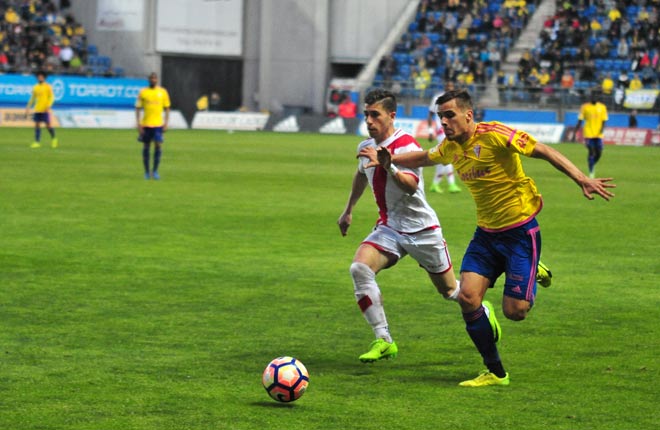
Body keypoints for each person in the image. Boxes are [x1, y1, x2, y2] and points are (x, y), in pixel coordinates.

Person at [360, 89, 615, 387]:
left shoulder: (495, 135)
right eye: (441, 117)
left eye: (450, 115)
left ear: (468, 115)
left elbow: (543, 150)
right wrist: (389, 160)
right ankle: (495, 372)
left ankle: (534, 266)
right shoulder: (450, 148)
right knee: (467, 299)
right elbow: (423, 157)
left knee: (515, 312)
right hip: (485, 236)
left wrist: (581, 178)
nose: (444, 122)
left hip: (520, 232)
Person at [337, 88, 465, 363]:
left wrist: (389, 166)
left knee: (453, 292)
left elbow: (411, 186)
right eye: (366, 115)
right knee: (360, 268)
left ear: (391, 116)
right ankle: (384, 340)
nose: (369, 121)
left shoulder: (406, 144)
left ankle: (483, 309)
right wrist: (348, 210)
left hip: (421, 230)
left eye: (375, 115)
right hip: (390, 227)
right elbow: (361, 174)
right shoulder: (365, 147)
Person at [135, 72, 170, 180]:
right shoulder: (143, 92)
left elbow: (167, 108)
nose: (153, 80)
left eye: (155, 78)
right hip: (146, 124)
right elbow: (138, 108)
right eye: (151, 78)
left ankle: (155, 171)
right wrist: (138, 124)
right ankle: (146, 172)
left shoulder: (163, 92)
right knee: (146, 146)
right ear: (149, 80)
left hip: (158, 124)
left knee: (158, 145)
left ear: (157, 80)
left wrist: (166, 123)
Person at [427, 82, 461, 194]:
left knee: (444, 156)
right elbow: (430, 115)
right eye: (448, 86)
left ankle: (435, 184)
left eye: (451, 87)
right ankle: (451, 184)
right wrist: (430, 131)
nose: (449, 88)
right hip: (441, 130)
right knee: (448, 155)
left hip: (452, 131)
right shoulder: (437, 98)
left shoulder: (455, 100)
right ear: (445, 87)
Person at [573, 91, 608, 179]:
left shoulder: (602, 107)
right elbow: (580, 120)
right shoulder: (585, 107)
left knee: (599, 153)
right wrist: (575, 132)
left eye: (596, 96)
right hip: (588, 134)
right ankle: (591, 172)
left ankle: (591, 164)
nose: (594, 98)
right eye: (592, 96)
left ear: (598, 97)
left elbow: (604, 120)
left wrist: (602, 129)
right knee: (591, 152)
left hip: (598, 134)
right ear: (590, 97)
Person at [26, 71, 58, 149]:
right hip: (37, 109)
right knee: (37, 125)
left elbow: (52, 97)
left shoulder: (48, 86)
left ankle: (54, 139)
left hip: (45, 109)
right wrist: (28, 106)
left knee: (48, 125)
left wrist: (48, 106)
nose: (40, 78)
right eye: (38, 77)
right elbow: (33, 98)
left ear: (44, 78)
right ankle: (37, 142)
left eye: (41, 77)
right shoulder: (35, 87)